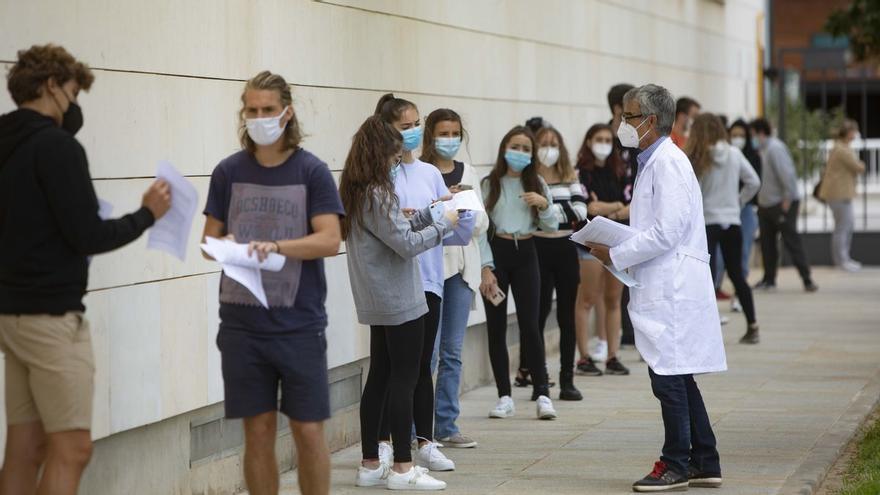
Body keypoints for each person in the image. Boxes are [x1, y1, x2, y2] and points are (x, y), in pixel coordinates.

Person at [0, 44, 171, 495]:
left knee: (24, 447)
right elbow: (88, 236)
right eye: (74, 92)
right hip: (53, 318)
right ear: (52, 86)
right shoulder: (57, 148)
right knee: (73, 449)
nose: (75, 106)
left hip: (11, 317)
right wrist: (147, 214)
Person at [201, 71, 344, 495]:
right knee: (257, 431)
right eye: (252, 110)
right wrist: (225, 245)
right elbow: (208, 242)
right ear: (243, 113)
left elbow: (330, 239)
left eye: (268, 110)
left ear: (287, 113)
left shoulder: (311, 171)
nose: (259, 117)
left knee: (308, 431)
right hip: (242, 325)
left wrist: (277, 246)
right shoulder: (228, 171)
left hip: (298, 324)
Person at [587, 84, 726, 492]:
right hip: (665, 282)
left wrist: (617, 253)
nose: (621, 124)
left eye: (628, 117)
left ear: (649, 120)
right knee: (678, 375)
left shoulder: (668, 163)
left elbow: (666, 231)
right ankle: (704, 459)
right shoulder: (652, 162)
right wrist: (619, 242)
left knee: (668, 377)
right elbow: (656, 227)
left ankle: (675, 463)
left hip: (674, 286)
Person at [341, 115, 458, 491]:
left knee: (378, 378)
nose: (397, 163)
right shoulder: (378, 192)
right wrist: (445, 224)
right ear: (380, 154)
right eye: (393, 156)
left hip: (377, 298)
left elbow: (397, 229)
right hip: (398, 298)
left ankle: (371, 463)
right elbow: (406, 245)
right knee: (404, 381)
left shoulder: (358, 190)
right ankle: (404, 468)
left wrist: (430, 212)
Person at [374, 94, 467, 472]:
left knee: (422, 366)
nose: (412, 132)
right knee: (389, 367)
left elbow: (455, 233)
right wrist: (408, 218)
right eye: (404, 126)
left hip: (430, 279)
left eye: (416, 125)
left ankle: (425, 441)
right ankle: (383, 443)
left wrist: (454, 212)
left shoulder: (430, 173)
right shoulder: (381, 176)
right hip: (392, 283)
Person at [479, 126, 559, 420]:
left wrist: (545, 205)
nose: (520, 153)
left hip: (526, 253)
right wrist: (486, 268)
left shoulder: (536, 181)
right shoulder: (490, 184)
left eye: (526, 149)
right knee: (496, 327)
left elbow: (551, 226)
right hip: (497, 254)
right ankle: (504, 396)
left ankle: (542, 393)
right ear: (504, 148)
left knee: (530, 325)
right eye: (515, 146)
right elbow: (479, 232)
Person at [420, 108, 487, 448]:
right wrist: (441, 204)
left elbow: (480, 225)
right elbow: (417, 221)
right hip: (431, 269)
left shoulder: (469, 171)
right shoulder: (420, 173)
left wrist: (463, 201)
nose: (449, 140)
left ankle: (447, 424)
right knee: (427, 352)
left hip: (461, 270)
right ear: (430, 134)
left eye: (454, 133)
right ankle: (421, 427)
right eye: (443, 133)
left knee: (452, 351)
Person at [686, 114, 762, 344]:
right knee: (737, 274)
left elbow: (693, 191)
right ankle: (753, 325)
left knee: (705, 277)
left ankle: (705, 331)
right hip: (732, 221)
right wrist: (737, 202)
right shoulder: (734, 153)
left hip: (707, 222)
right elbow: (754, 182)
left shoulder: (698, 157)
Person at [531, 123, 586, 400]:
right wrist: (553, 211)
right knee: (537, 317)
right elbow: (530, 217)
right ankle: (539, 380)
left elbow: (579, 210)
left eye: (553, 144)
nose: (548, 150)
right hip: (537, 248)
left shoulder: (569, 175)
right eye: (543, 144)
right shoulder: (530, 178)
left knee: (567, 317)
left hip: (565, 248)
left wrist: (546, 208)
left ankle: (568, 380)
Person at [574, 124, 633, 377]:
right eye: (598, 138)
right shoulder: (581, 172)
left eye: (608, 139)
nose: (603, 143)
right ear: (588, 141)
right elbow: (590, 208)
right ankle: (584, 357)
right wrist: (616, 205)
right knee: (586, 298)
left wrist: (611, 207)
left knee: (613, 299)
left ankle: (612, 356)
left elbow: (631, 205)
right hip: (588, 244)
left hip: (618, 242)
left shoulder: (621, 170)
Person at [749, 118, 818, 292]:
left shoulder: (775, 149)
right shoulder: (762, 150)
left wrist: (785, 204)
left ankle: (807, 279)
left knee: (791, 241)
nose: (752, 139)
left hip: (781, 203)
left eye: (753, 135)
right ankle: (769, 279)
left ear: (761, 133)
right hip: (765, 205)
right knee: (767, 244)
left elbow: (788, 177)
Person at [605, 83, 639, 350]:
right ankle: (616, 336)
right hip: (609, 218)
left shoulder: (636, 139)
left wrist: (629, 208)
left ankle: (633, 331)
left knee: (633, 277)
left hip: (632, 215)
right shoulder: (604, 139)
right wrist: (611, 208)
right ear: (618, 108)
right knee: (613, 282)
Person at [721, 119, 763, 312]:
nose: (737, 139)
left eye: (741, 135)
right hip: (724, 211)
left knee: (743, 254)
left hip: (743, 210)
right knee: (720, 257)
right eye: (734, 135)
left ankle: (738, 296)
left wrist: (740, 200)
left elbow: (755, 183)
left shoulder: (752, 156)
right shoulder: (724, 155)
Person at [818, 119, 865, 272]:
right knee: (843, 227)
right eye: (854, 131)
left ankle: (843, 259)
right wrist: (862, 165)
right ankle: (842, 260)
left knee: (844, 226)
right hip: (838, 194)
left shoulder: (840, 147)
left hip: (839, 194)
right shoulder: (842, 149)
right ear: (849, 133)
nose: (856, 134)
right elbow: (858, 167)